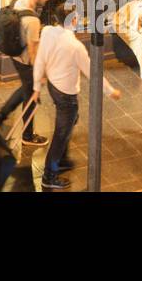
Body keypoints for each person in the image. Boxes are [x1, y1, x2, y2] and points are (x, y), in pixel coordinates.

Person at [32, 18, 121, 190]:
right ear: (73, 20)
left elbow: (40, 60)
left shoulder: (48, 31)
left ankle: (62, 161)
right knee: (61, 135)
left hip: (53, 87)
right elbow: (92, 72)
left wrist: (36, 87)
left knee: (70, 122)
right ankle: (49, 176)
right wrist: (110, 91)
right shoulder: (75, 47)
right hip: (67, 96)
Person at [0, 0, 47, 149]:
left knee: (25, 89)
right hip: (25, 61)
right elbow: (32, 50)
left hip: (14, 56)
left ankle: (0, 116)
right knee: (31, 97)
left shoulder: (18, 3)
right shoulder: (33, 21)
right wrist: (39, 73)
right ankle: (27, 135)